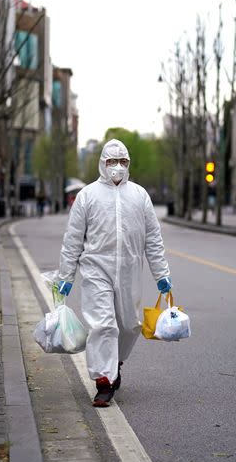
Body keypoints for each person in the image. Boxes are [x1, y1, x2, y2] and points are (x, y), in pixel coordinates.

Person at [57, 139, 172, 407]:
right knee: (103, 325)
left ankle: (115, 363)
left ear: (129, 164)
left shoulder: (140, 196)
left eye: (123, 162)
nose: (117, 167)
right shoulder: (87, 196)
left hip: (130, 269)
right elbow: (73, 239)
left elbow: (153, 239)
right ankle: (104, 382)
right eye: (111, 161)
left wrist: (162, 275)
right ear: (102, 163)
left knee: (129, 325)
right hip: (96, 269)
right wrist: (65, 277)